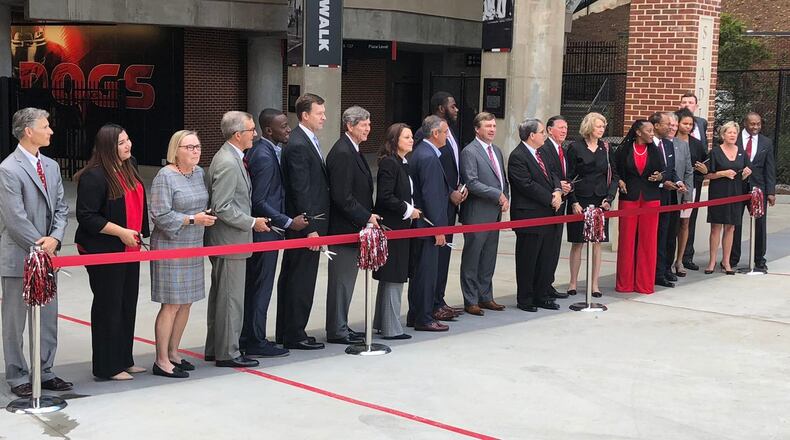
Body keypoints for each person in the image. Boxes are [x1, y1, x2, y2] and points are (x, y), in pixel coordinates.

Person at [0, 108, 71, 396]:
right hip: (20, 256)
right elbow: (14, 219)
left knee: (48, 317)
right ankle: (17, 376)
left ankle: (45, 371)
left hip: (47, 254)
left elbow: (62, 208)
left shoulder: (52, 166)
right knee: (15, 321)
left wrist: (55, 238)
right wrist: (41, 246)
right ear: (28, 132)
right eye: (45, 126)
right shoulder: (8, 169)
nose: (50, 130)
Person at [75, 123, 150, 380]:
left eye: (128, 139)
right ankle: (107, 366)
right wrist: (120, 232)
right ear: (108, 147)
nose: (128, 145)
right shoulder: (94, 176)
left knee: (127, 302)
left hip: (130, 246)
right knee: (109, 304)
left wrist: (138, 234)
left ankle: (123, 358)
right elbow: (86, 216)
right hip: (105, 248)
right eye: (121, 142)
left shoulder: (130, 165)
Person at [203, 111, 270, 368]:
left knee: (222, 297)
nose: (255, 134)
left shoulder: (231, 157)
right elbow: (223, 206)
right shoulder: (229, 163)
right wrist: (253, 222)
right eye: (251, 130)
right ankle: (228, 352)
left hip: (228, 241)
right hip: (230, 241)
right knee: (231, 299)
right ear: (237, 134)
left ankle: (216, 347)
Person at [148, 130, 216, 378]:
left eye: (197, 146)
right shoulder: (165, 176)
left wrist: (204, 217)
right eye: (189, 147)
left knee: (186, 301)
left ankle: (174, 352)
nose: (195, 151)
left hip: (193, 243)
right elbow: (159, 214)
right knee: (171, 303)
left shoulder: (199, 173)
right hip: (171, 244)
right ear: (175, 150)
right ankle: (161, 359)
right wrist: (191, 219)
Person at [242, 109, 306, 359]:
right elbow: (259, 201)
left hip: (270, 231)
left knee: (260, 286)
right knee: (261, 287)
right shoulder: (265, 157)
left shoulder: (268, 151)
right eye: (283, 126)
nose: (288, 129)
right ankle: (255, 339)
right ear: (269, 131)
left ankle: (253, 335)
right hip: (266, 233)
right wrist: (288, 221)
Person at [277, 93, 331, 350]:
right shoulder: (298, 144)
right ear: (305, 115)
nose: (324, 117)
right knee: (300, 279)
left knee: (297, 277)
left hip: (308, 223)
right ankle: (294, 332)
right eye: (319, 113)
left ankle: (289, 330)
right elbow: (300, 189)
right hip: (305, 227)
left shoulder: (306, 140)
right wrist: (310, 228)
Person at [325, 106, 378, 344]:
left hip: (353, 228)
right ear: (349, 126)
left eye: (368, 124)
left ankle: (342, 325)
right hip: (344, 229)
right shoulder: (343, 152)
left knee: (347, 282)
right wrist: (366, 216)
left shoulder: (353, 150)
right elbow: (342, 195)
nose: (368, 128)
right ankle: (337, 329)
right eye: (363, 124)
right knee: (341, 283)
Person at [414, 91, 467, 321]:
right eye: (453, 106)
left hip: (449, 203)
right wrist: (449, 193)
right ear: (441, 108)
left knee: (443, 257)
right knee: (431, 259)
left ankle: (439, 299)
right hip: (436, 204)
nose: (457, 110)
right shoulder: (424, 137)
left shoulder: (448, 131)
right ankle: (429, 306)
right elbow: (427, 176)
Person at [508, 118, 563, 312]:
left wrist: (557, 190)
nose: (544, 135)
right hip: (529, 216)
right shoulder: (518, 156)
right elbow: (526, 185)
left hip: (548, 214)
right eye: (542, 132)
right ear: (532, 135)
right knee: (528, 259)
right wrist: (550, 198)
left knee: (544, 258)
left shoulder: (542, 153)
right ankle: (526, 299)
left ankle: (541, 295)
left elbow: (554, 173)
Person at [372, 123, 421, 339]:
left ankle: (383, 323)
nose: (411, 140)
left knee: (393, 276)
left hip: (401, 226)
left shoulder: (403, 163)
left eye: (411, 137)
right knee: (393, 275)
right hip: (394, 226)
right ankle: (391, 328)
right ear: (394, 141)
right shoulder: (389, 164)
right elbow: (384, 196)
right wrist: (408, 210)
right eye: (407, 137)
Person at [458, 112, 509, 316]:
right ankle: (470, 300)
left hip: (494, 212)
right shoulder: (470, 151)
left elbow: (502, 178)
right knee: (473, 257)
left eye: (494, 126)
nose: (492, 129)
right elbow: (471, 181)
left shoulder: (496, 150)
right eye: (488, 126)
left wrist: (505, 196)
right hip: (477, 213)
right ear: (477, 129)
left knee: (488, 257)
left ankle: (485, 296)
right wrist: (498, 194)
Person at [565, 112, 617, 298]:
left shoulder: (607, 148)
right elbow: (568, 177)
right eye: (598, 126)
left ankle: (594, 284)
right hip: (580, 199)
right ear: (589, 127)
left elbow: (614, 176)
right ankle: (572, 282)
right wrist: (573, 201)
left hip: (600, 200)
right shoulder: (575, 147)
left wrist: (609, 198)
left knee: (596, 243)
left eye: (603, 126)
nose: (601, 129)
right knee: (578, 242)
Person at [407, 115, 451, 332]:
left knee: (420, 272)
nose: (447, 136)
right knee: (426, 273)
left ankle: (415, 313)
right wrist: (439, 229)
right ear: (435, 134)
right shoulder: (429, 157)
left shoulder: (420, 153)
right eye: (445, 132)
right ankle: (423, 317)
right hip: (427, 227)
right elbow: (432, 197)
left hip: (421, 226)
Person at [614, 120, 665, 294]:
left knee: (648, 241)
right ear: (638, 132)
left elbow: (665, 171)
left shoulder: (655, 150)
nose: (652, 133)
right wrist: (619, 181)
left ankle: (644, 284)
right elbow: (614, 171)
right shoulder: (623, 150)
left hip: (651, 198)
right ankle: (625, 284)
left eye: (652, 130)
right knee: (626, 241)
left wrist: (660, 177)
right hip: (629, 197)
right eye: (649, 130)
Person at [704, 121, 752, 275]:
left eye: (734, 133)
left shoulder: (742, 152)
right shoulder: (715, 152)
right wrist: (722, 173)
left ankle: (726, 261)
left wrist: (746, 173)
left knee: (730, 227)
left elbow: (745, 172)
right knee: (716, 227)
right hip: (719, 191)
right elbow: (707, 174)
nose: (732, 135)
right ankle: (712, 261)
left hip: (736, 192)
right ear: (723, 135)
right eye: (729, 132)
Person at [730, 112, 776, 272]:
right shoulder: (734, 138)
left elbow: (770, 168)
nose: (755, 127)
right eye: (752, 124)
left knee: (760, 224)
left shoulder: (766, 142)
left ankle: (759, 260)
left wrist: (771, 192)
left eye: (758, 124)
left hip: (758, 189)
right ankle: (732, 259)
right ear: (745, 123)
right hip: (736, 187)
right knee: (734, 223)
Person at [649, 112, 687, 288]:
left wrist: (678, 182)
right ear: (656, 126)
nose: (670, 128)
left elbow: (671, 170)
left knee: (667, 234)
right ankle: (655, 272)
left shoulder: (668, 145)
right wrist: (663, 183)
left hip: (669, 196)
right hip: (653, 196)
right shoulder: (649, 146)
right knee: (655, 236)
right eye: (666, 124)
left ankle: (664, 269)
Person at [540, 115, 573, 298]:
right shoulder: (544, 149)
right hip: (550, 203)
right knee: (547, 248)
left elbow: (566, 174)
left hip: (562, 202)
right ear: (549, 130)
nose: (564, 130)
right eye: (560, 127)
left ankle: (548, 284)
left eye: (566, 127)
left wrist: (568, 186)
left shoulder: (563, 150)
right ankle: (542, 286)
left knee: (554, 248)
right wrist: (559, 186)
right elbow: (548, 174)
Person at [672, 109, 708, 276]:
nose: (687, 127)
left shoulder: (696, 143)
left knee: (685, 223)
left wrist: (704, 169)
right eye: (684, 123)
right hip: (671, 187)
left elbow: (704, 164)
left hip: (690, 186)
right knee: (670, 223)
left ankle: (681, 259)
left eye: (690, 124)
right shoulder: (670, 141)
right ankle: (667, 259)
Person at [679, 92, 710, 271]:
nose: (687, 105)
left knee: (690, 220)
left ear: (695, 106)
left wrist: (705, 169)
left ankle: (686, 256)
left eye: (690, 102)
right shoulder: (673, 134)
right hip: (675, 182)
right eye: (684, 102)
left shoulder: (701, 124)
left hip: (695, 180)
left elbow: (704, 154)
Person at [665, 112, 694, 278]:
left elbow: (688, 171)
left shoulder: (682, 145)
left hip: (678, 196)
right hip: (661, 195)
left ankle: (669, 267)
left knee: (672, 232)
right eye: (670, 125)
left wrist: (687, 195)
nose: (672, 128)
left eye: (675, 126)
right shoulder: (658, 143)